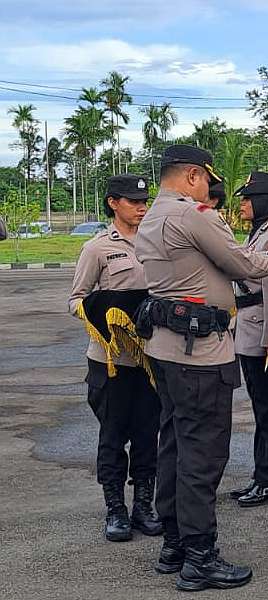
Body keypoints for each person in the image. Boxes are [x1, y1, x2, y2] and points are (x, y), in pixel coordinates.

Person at [135, 145, 268, 591]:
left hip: (167, 348)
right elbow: (242, 265)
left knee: (172, 444)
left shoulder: (153, 215)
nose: (213, 188)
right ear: (192, 175)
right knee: (201, 454)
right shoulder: (194, 215)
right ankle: (200, 556)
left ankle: (174, 544)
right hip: (200, 353)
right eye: (208, 179)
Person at [69, 174, 162, 542]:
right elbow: (76, 298)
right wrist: (103, 311)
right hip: (110, 361)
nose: (140, 207)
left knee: (147, 434)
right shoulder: (97, 249)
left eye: (144, 202)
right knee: (112, 436)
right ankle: (115, 509)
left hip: (149, 359)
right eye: (132, 201)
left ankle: (143, 506)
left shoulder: (157, 244)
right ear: (113, 203)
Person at [226, 171, 268, 507]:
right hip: (252, 331)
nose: (242, 204)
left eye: (248, 198)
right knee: (262, 408)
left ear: (265, 201)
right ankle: (261, 476)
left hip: (266, 339)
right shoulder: (259, 235)